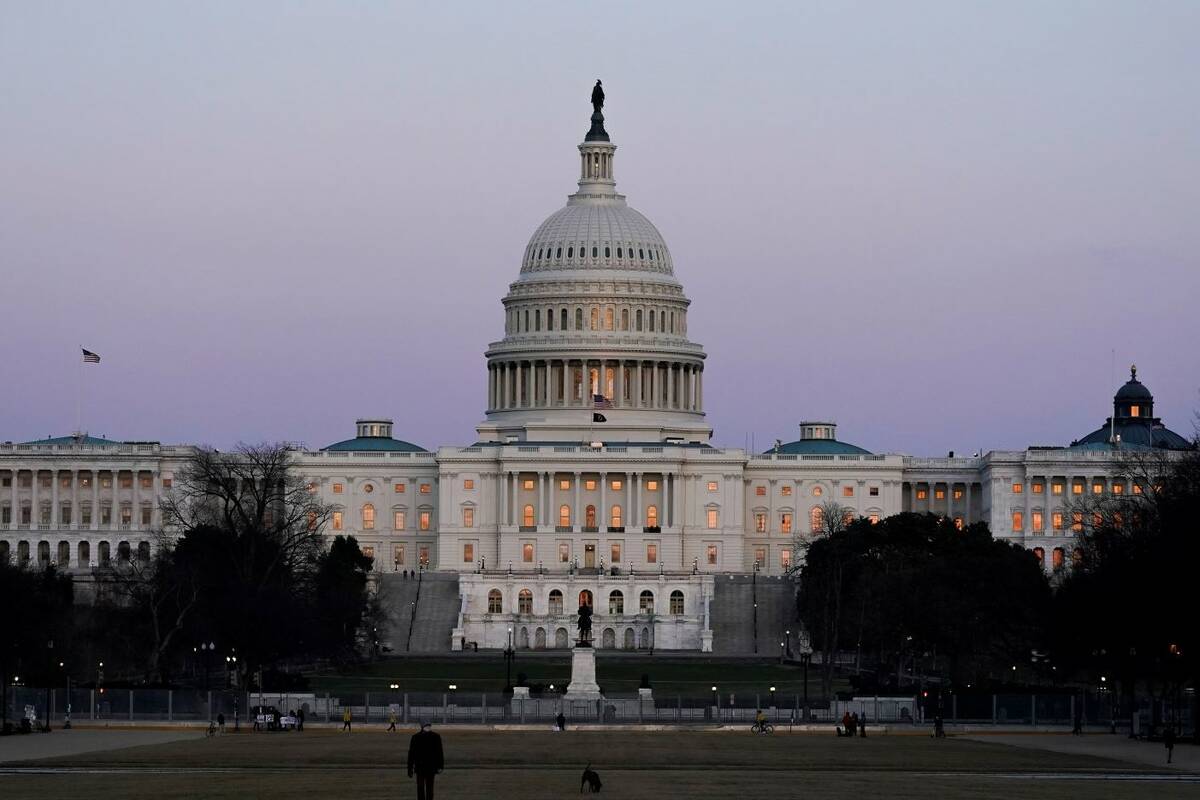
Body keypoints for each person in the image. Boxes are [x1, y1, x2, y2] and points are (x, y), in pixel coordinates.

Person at [408, 720, 444, 800]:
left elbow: (411, 754)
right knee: (430, 788)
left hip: (420, 767)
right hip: (431, 767)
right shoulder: (436, 737)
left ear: (421, 726)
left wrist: (410, 768)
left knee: (420, 788)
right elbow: (440, 753)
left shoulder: (415, 737)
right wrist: (440, 766)